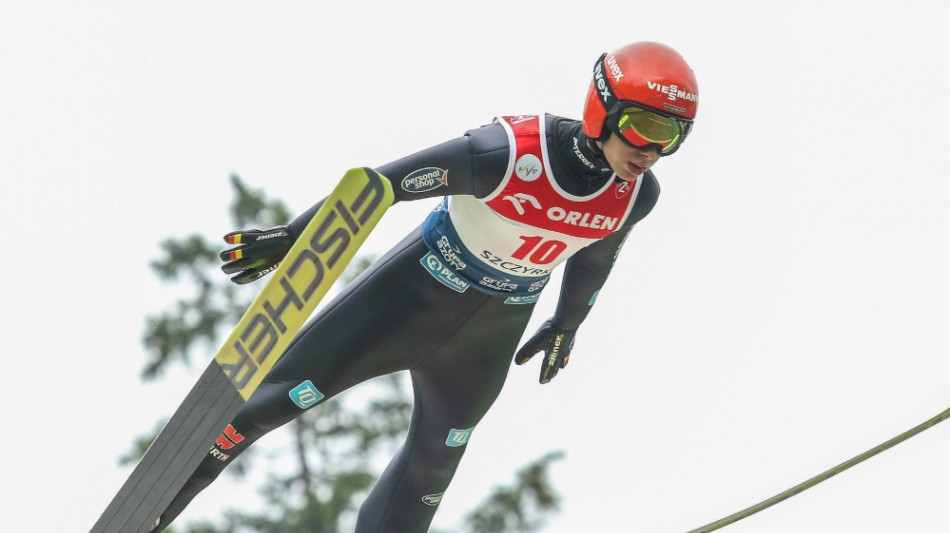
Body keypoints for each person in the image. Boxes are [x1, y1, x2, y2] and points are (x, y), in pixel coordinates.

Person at [150, 41, 699, 533]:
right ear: (602, 109)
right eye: (644, 128)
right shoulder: (507, 153)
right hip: (411, 297)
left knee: (430, 473)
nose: (651, 150)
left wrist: (568, 322)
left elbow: (595, 257)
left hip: (490, 333)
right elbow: (383, 184)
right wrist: (298, 236)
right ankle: (148, 516)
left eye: (671, 136)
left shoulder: (636, 196)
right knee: (257, 412)